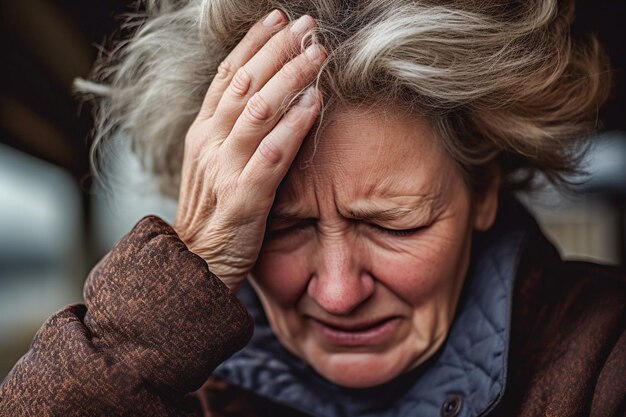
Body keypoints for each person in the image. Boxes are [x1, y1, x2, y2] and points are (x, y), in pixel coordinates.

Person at [1, 0, 624, 416]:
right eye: (282, 226)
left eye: (390, 224)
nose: (336, 293)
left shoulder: (604, 361)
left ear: (484, 190)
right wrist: (144, 335)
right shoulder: (177, 390)